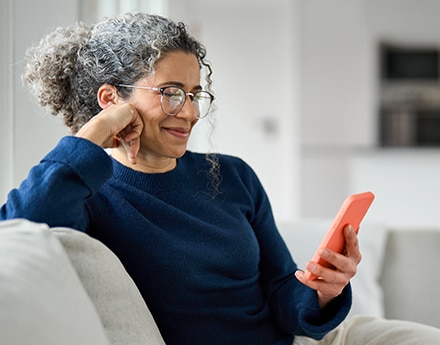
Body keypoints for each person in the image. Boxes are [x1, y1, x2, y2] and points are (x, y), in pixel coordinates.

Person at [1, 12, 439, 345]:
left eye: (195, 94)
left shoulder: (232, 175)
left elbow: (282, 289)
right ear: (112, 99)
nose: (190, 112)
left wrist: (324, 291)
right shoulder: (87, 190)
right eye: (171, 93)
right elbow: (19, 227)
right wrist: (96, 132)